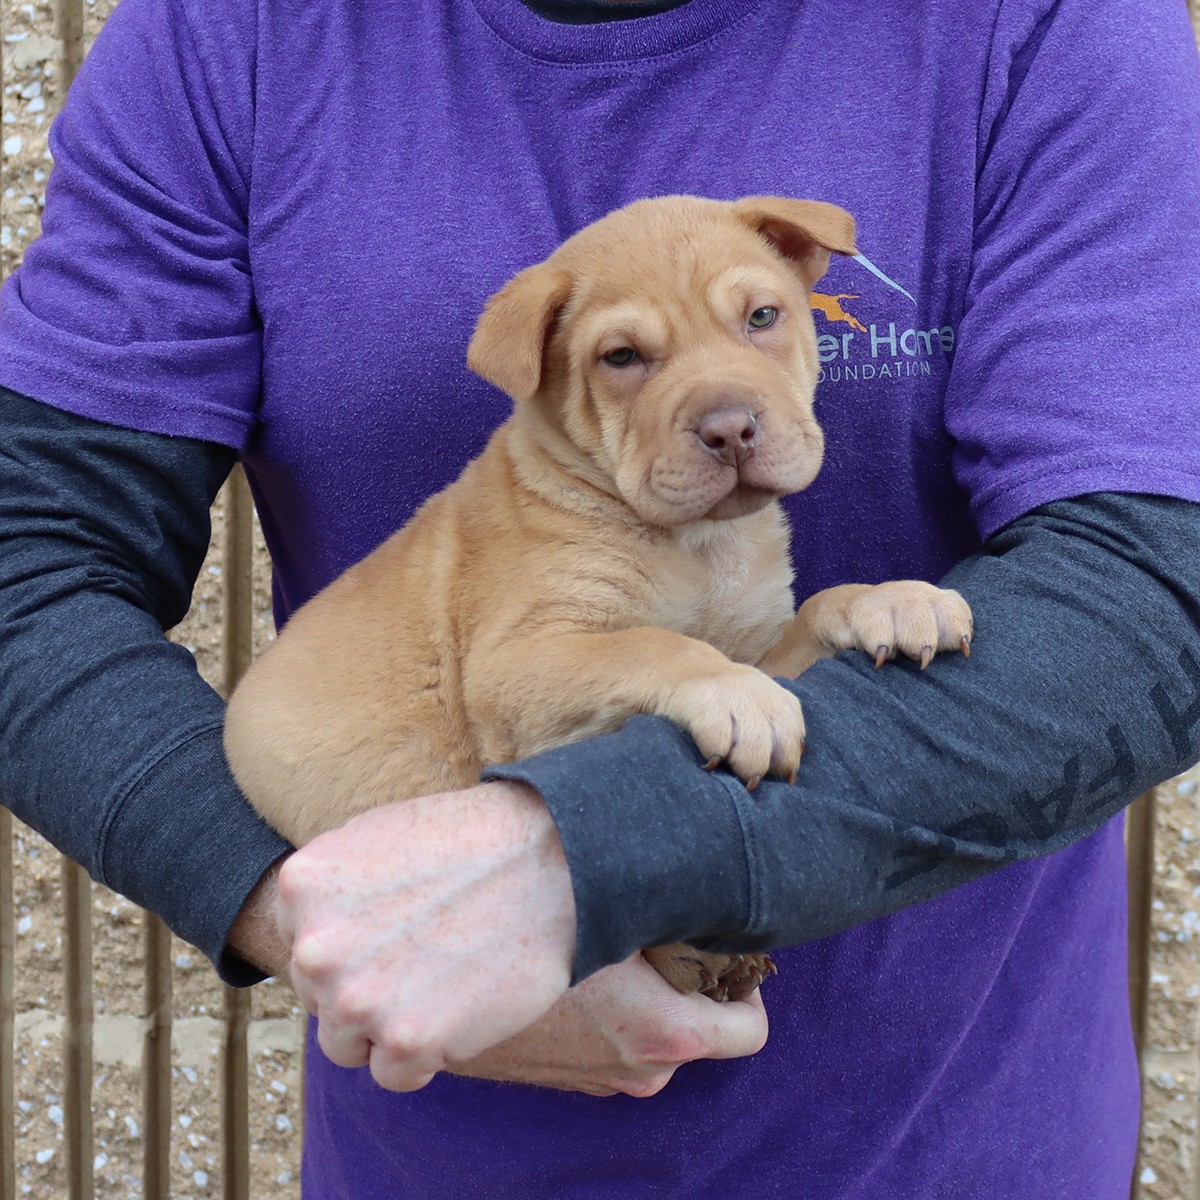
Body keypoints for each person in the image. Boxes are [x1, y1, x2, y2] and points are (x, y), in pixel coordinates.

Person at [1, 0, 1199, 1194]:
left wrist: (599, 852)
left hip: (958, 1147)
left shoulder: (1047, 24)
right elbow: (27, 560)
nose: (722, 405)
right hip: (440, 1160)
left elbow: (1159, 575)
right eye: (627, 357)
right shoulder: (230, 34)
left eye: (759, 322)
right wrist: (285, 901)